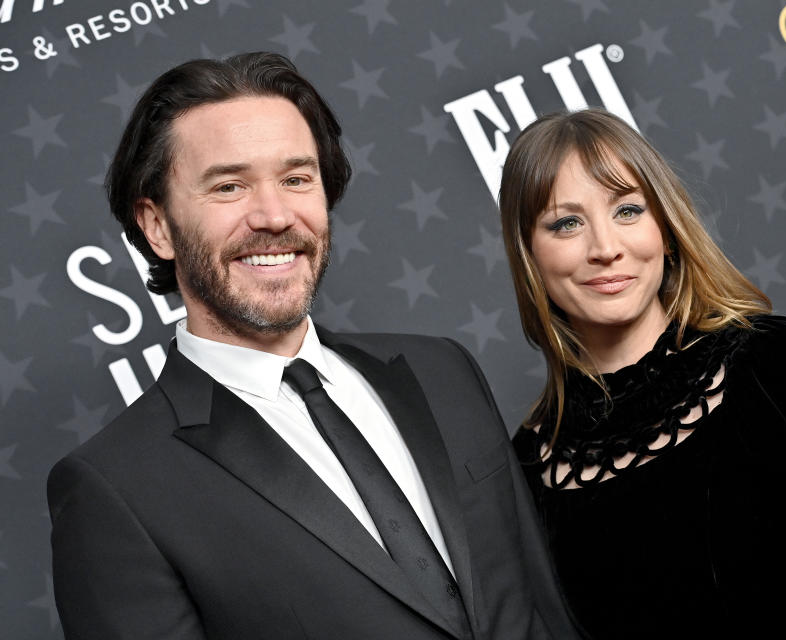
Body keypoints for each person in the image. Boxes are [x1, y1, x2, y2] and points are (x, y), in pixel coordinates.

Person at [47, 52, 578, 640]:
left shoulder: (440, 369)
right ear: (158, 227)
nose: (274, 215)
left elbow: (542, 608)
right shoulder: (116, 489)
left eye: (297, 178)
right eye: (229, 186)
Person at [499, 108, 786, 639]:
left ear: (665, 231)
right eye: (567, 223)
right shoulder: (527, 469)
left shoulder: (774, 364)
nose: (606, 248)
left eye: (627, 210)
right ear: (529, 255)